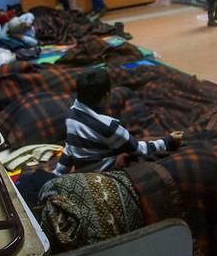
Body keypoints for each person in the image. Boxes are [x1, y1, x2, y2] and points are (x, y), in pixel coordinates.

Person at [53, 67, 184, 175]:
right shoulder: (108, 126)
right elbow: (138, 149)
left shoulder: (71, 114)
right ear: (107, 96)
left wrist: (58, 173)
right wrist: (168, 141)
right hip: (104, 174)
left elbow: (69, 148)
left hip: (82, 171)